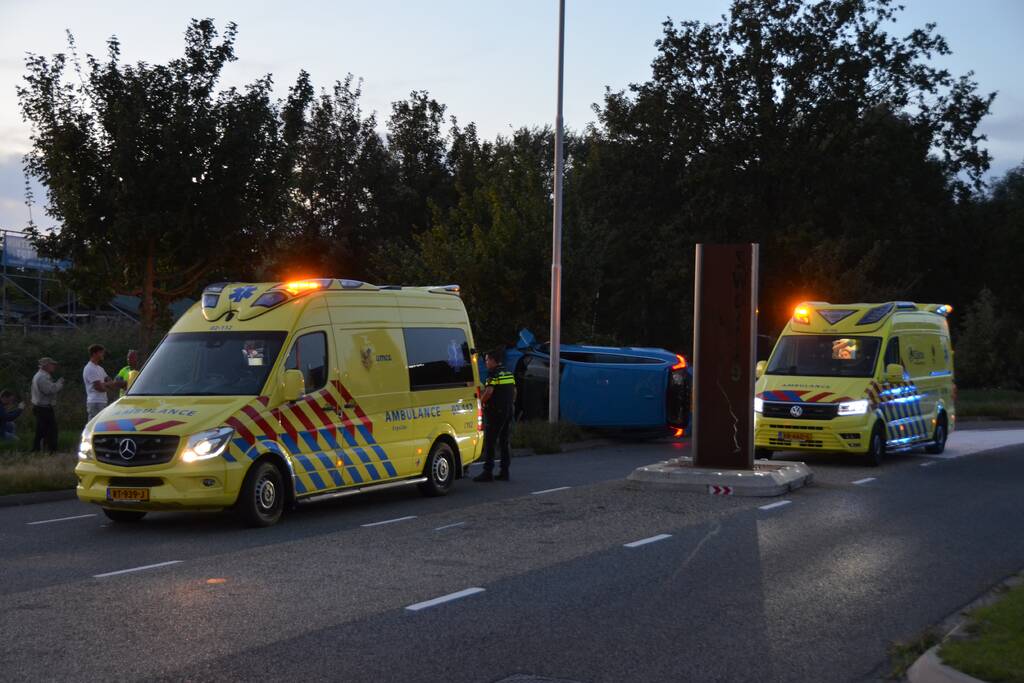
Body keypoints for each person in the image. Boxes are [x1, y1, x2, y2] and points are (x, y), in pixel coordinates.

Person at [474, 347, 517, 482]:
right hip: (508, 410)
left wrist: (479, 403)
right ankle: (505, 472)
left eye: (487, 360)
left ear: (493, 360)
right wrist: (509, 403)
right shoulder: (508, 373)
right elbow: (515, 391)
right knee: (504, 441)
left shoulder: (493, 374)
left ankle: (488, 472)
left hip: (495, 411)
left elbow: (489, 392)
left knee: (490, 441)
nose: (486, 363)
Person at [83, 344, 124, 421]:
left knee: (101, 424)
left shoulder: (100, 369)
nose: (103, 354)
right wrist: (108, 386)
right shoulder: (90, 368)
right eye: (101, 352)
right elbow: (98, 387)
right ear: (94, 354)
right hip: (95, 402)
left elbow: (110, 381)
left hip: (102, 401)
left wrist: (107, 384)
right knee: (94, 425)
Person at [31, 357, 64, 453]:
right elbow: (49, 390)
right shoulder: (42, 377)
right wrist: (59, 383)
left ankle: (37, 450)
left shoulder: (41, 375)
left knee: (41, 431)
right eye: (52, 364)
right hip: (43, 408)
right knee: (52, 431)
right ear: (45, 366)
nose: (54, 366)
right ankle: (52, 451)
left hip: (41, 407)